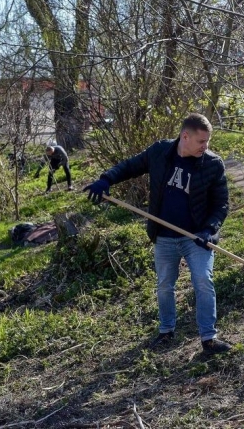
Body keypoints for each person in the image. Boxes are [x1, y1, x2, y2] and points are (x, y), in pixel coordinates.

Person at [83, 113, 232, 355]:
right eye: (201, 141)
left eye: (208, 141)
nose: (205, 146)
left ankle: (209, 339)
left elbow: (221, 204)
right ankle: (166, 332)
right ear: (185, 136)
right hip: (164, 236)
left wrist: (209, 230)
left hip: (196, 237)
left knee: (203, 281)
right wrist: (106, 179)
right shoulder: (160, 152)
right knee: (164, 285)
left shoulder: (212, 164)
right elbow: (130, 166)